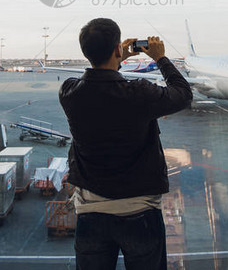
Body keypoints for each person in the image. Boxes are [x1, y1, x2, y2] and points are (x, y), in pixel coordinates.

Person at [59, 18, 192, 270]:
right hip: (139, 212)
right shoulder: (138, 93)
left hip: (90, 213)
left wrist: (116, 59)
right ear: (118, 49)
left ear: (85, 52)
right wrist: (160, 58)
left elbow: (99, 82)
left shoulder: (69, 92)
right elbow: (183, 94)